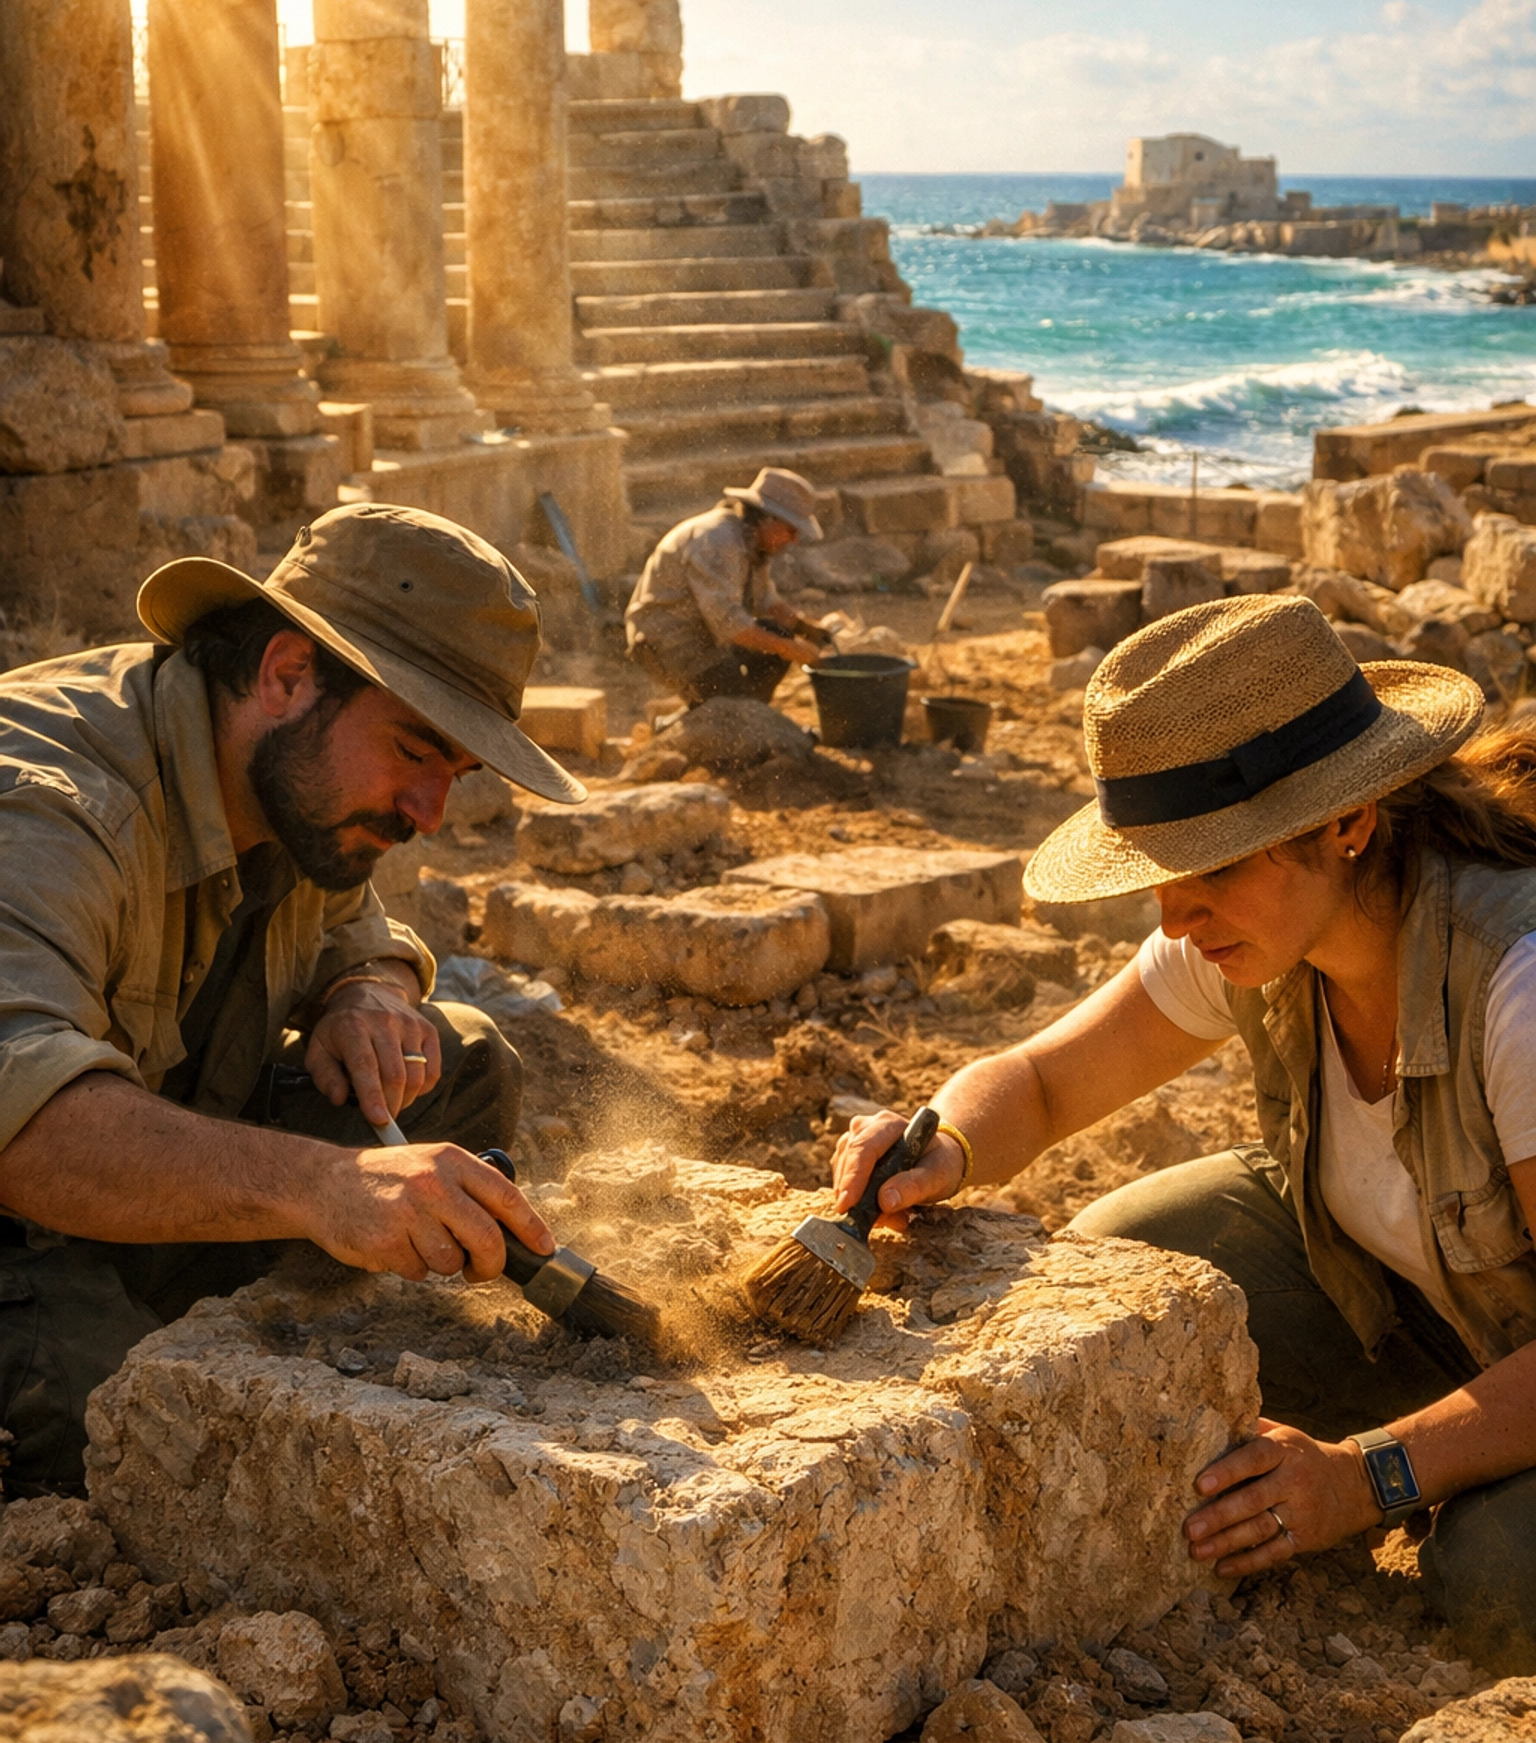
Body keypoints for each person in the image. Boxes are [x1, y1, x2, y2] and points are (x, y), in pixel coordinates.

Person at [833, 593, 1536, 1673]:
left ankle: (1454, 1483)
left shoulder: (1518, 984)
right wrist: (943, 1142)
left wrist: (1366, 1478)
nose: (1173, 918)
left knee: (1496, 1576)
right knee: (1137, 1259)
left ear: (1349, 824)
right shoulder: (1255, 929)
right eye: (1160, 872)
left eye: (1211, 867)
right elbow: (1042, 1083)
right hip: (1434, 1317)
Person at [0, 501, 586, 1494]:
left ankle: (281, 1343)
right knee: (149, 1440)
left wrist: (369, 989)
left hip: (142, 1168)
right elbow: (27, 1126)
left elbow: (355, 926)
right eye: (415, 751)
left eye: (458, 769)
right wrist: (325, 1188)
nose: (430, 814)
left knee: (461, 1053)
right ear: (285, 674)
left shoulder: (292, 774)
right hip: (24, 1203)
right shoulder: (49, 803)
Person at [625, 466, 834, 707]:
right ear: (768, 518)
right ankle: (717, 721)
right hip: (665, 640)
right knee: (730, 699)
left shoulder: (753, 540)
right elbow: (731, 625)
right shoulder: (717, 541)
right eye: (791, 530)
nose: (794, 539)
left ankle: (749, 716)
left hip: (706, 631)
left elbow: (766, 599)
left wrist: (802, 627)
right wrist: (792, 649)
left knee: (777, 639)